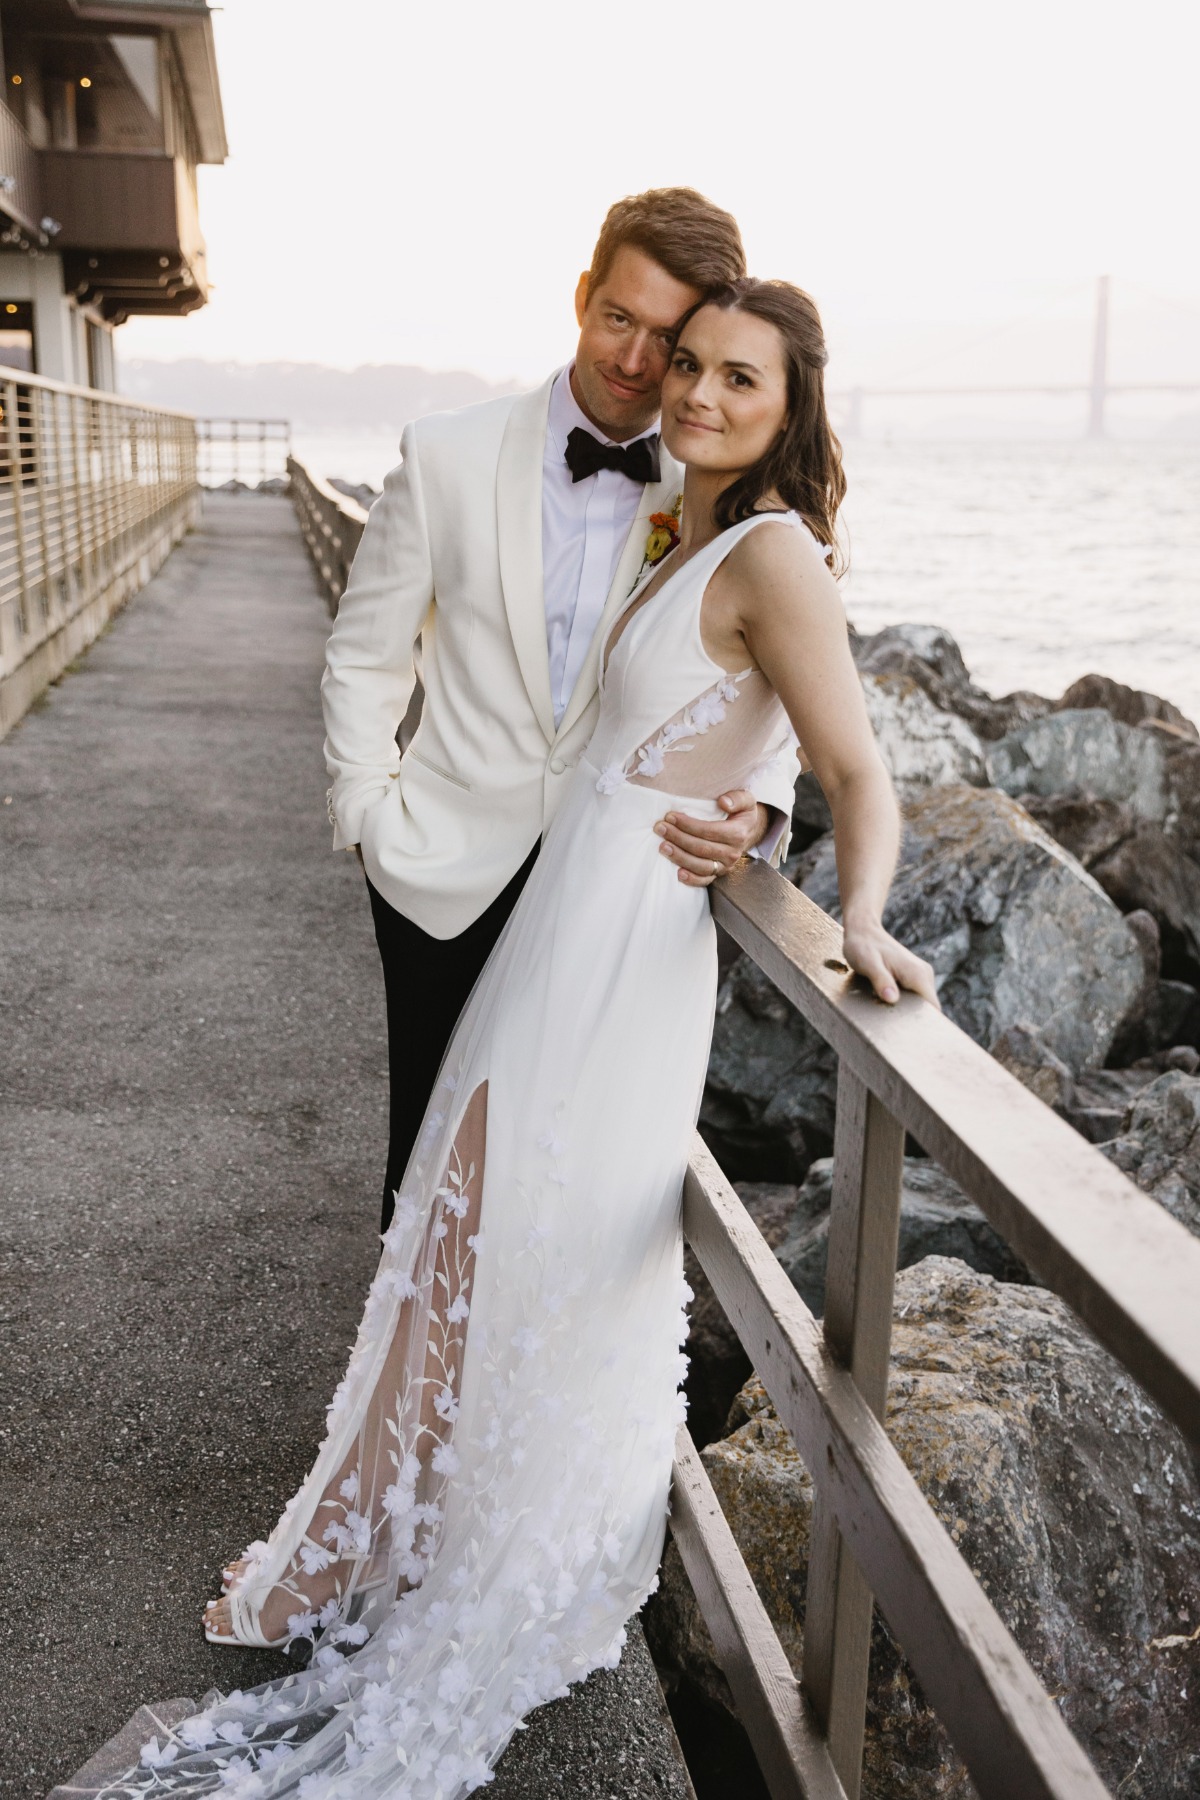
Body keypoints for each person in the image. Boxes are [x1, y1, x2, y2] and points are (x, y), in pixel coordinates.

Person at [81, 277, 936, 1800]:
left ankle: (498, 1551)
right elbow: (677, 718)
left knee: (543, 1246)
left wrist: (849, 913)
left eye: (742, 378)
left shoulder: (779, 550)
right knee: (464, 1230)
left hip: (623, 958)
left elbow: (853, 764)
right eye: (689, 366)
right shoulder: (693, 521)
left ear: (797, 407)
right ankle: (380, 1537)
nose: (698, 394)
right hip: (553, 931)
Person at [319, 188, 802, 1236]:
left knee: (563, 1177)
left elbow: (767, 684)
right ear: (582, 296)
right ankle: (408, 1394)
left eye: (668, 340)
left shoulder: (707, 483)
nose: (634, 361)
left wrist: (759, 811)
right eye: (616, 317)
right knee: (430, 1163)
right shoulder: (447, 452)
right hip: (441, 866)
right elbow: (365, 653)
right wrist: (366, 814)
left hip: (611, 890)